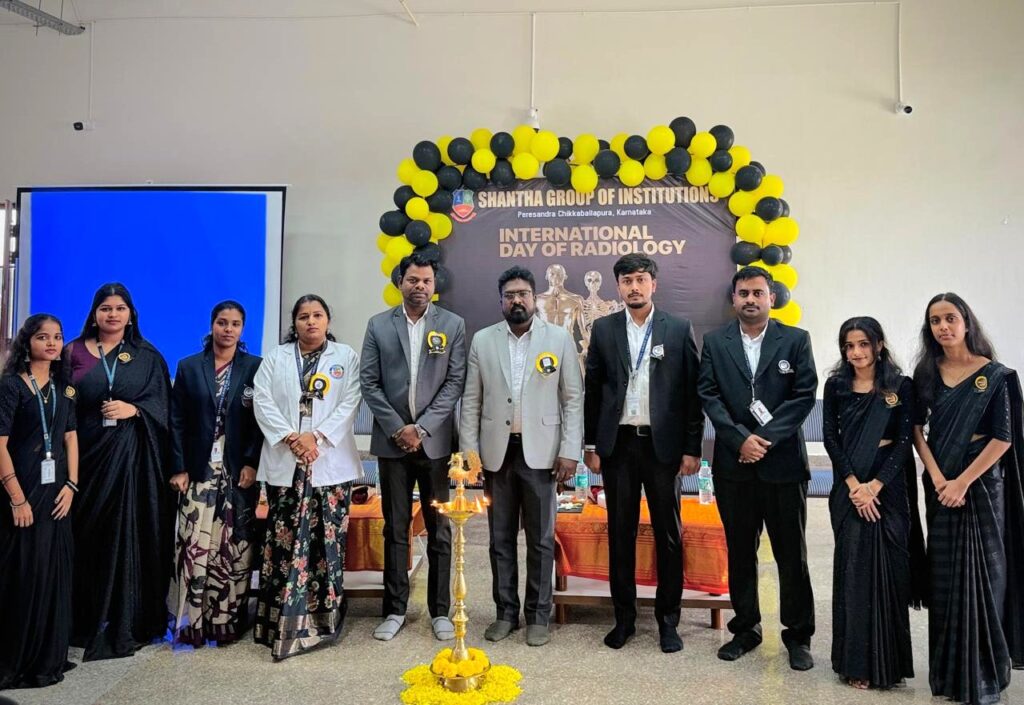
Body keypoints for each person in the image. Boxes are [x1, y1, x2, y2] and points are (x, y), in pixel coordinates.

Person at [697, 265, 817, 670]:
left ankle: (798, 636)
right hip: (735, 466)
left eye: (758, 293)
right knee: (740, 552)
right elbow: (709, 395)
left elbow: (803, 395)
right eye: (744, 293)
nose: (751, 299)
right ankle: (746, 629)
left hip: (783, 465)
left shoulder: (796, 340)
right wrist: (739, 440)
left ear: (772, 298)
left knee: (791, 555)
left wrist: (763, 439)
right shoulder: (715, 342)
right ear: (734, 299)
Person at [583, 254, 703, 653]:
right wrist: (590, 445)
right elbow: (593, 391)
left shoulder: (678, 328)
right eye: (626, 280)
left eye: (640, 279)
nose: (634, 287)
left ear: (654, 284)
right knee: (621, 533)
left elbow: (692, 394)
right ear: (618, 286)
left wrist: (691, 448)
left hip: (662, 447)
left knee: (669, 534)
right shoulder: (604, 329)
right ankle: (624, 619)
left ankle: (669, 621)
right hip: (618, 446)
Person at [460, 265, 583, 647]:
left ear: (534, 298)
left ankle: (538, 616)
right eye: (510, 295)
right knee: (500, 540)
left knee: (541, 540)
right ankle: (505, 614)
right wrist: (470, 454)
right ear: (501, 301)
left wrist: (569, 451)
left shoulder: (558, 338)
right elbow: (471, 401)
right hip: (497, 455)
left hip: (542, 454)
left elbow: (573, 398)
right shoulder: (483, 340)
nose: (517, 300)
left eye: (523, 294)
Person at [911, 293, 1024, 705]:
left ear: (966, 322)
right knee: (945, 582)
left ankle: (985, 677)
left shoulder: (995, 376)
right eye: (935, 321)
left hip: (981, 486)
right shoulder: (926, 373)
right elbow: (916, 430)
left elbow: (1003, 438)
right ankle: (948, 675)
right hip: (941, 488)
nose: (943, 326)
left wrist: (962, 481)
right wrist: (940, 478)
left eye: (950, 318)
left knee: (986, 578)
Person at [360, 253, 466, 642]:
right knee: (396, 527)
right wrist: (398, 429)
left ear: (434, 285)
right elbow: (369, 383)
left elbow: (455, 382)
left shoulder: (452, 324)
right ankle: (394, 609)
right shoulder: (378, 325)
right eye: (412, 280)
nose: (419, 286)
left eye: (426, 281)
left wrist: (421, 428)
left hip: (434, 445)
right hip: (393, 446)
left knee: (440, 530)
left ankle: (440, 611)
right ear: (399, 282)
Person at [252, 294, 362, 660]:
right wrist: (291, 437)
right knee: (284, 544)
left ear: (328, 320)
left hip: (330, 464)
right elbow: (262, 400)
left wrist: (316, 437)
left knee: (326, 544)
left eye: (317, 315)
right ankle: (279, 622)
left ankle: (323, 619)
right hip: (286, 461)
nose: (310, 322)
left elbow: (350, 402)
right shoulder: (276, 358)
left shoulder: (345, 357)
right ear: (294, 323)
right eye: (303, 316)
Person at [68, 282, 173, 661]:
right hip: (81, 458)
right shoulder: (71, 352)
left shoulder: (147, 356)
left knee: (124, 532)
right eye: (105, 308)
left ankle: (126, 618)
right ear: (94, 314)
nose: (112, 314)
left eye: (119, 308)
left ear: (131, 315)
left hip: (131, 463)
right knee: (83, 537)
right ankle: (80, 620)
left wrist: (136, 410)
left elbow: (165, 407)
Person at [823, 317, 921, 689]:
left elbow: (904, 441)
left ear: (879, 345)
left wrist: (875, 486)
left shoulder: (900, 386)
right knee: (854, 572)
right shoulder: (836, 386)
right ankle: (855, 664)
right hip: (848, 486)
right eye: (849, 346)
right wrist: (854, 486)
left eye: (863, 344)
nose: (856, 352)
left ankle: (889, 665)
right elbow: (831, 439)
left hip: (889, 486)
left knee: (890, 572)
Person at [167, 301, 264, 646]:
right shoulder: (190, 366)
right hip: (198, 469)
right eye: (222, 322)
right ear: (212, 325)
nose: (228, 329)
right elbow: (176, 420)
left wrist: (252, 462)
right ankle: (192, 622)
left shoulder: (255, 367)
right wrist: (178, 467)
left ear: (242, 329)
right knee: (194, 544)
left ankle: (226, 622)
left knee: (233, 544)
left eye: (235, 324)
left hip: (238, 471)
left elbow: (260, 422)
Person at [0, 314, 78, 689]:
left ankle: (48, 654)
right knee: (22, 573)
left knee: (52, 571)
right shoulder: (11, 386)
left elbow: (70, 437)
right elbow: (0, 445)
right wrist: (17, 498)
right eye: (43, 337)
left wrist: (72, 485)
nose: (52, 343)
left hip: (57, 493)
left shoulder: (64, 387)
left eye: (57, 337)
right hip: (22, 490)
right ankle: (16, 659)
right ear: (27, 342)